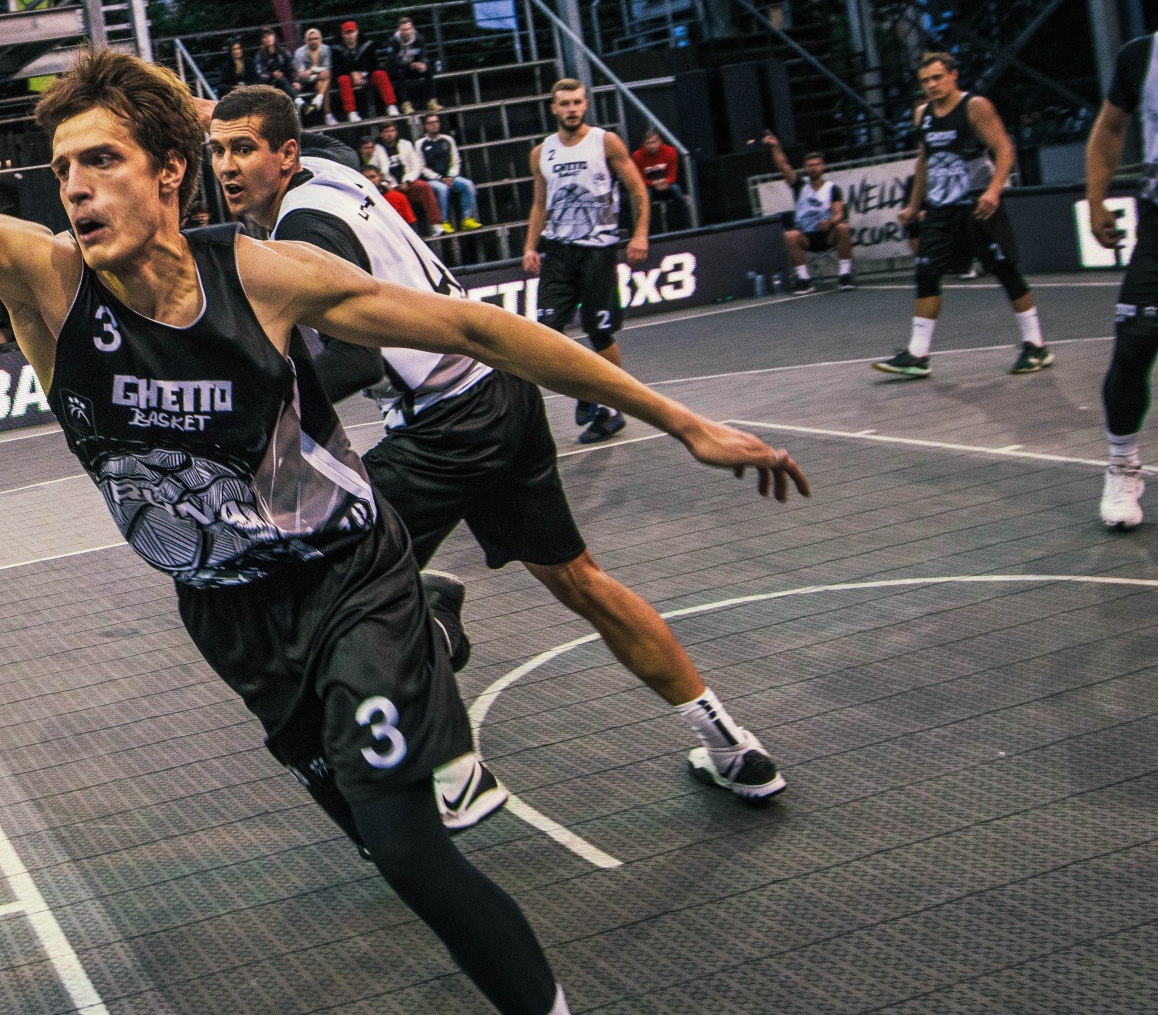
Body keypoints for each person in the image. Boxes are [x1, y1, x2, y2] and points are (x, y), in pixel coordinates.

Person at [0, 27, 806, 1015]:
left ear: (169, 172)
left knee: (405, 842)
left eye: (101, 161)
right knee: (379, 843)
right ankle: (434, 653)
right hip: (232, 619)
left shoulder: (261, 276)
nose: (76, 187)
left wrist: (678, 418)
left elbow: (477, 330)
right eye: (63, 169)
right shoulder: (46, 284)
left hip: (350, 578)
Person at [210, 83, 793, 806]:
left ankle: (447, 737)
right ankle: (730, 744)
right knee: (580, 580)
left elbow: (356, 361)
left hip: (444, 425)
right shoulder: (332, 169)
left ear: (285, 154)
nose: (225, 166)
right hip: (501, 398)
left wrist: (250, 412)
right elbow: (294, 135)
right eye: (216, 150)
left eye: (242, 149)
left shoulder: (304, 233)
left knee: (329, 593)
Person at [872, 53, 1050, 378]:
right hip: (940, 209)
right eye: (925, 81)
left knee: (1005, 272)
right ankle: (917, 354)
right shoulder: (922, 114)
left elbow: (1004, 149)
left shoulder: (975, 106)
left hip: (977, 204)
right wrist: (913, 205)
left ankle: (1036, 344)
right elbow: (924, 160)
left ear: (953, 75)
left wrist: (993, 191)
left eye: (937, 78)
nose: (931, 85)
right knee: (926, 273)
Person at [526, 79, 652, 444]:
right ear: (554, 108)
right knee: (547, 331)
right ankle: (587, 389)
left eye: (578, 102)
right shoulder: (541, 152)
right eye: (565, 103)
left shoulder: (605, 142)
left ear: (585, 105)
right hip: (558, 251)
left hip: (597, 251)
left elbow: (637, 189)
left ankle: (611, 410)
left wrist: (640, 234)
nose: (572, 109)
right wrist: (530, 246)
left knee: (599, 333)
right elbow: (540, 204)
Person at [1082, 32, 1158, 529]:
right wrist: (1096, 199)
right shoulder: (1142, 56)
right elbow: (1110, 128)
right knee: (1135, 342)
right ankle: (1123, 464)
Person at [763, 132, 855, 291]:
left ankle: (844, 276)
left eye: (817, 165)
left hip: (827, 235)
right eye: (810, 165)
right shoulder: (799, 185)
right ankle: (804, 280)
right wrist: (775, 146)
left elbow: (839, 214)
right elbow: (783, 165)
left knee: (843, 228)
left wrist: (830, 222)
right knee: (790, 235)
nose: (813, 168)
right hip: (807, 236)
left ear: (823, 167)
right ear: (805, 169)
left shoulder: (832, 189)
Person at [358, 135, 442, 235]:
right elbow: (380, 174)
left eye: (371, 147)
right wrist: (384, 184)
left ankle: (435, 224)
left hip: (405, 181)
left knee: (423, 187)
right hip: (381, 188)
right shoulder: (362, 159)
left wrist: (407, 181)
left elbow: (416, 166)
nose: (369, 150)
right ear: (360, 149)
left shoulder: (405, 145)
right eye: (366, 148)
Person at [415, 111, 480, 231]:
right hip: (431, 180)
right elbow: (421, 168)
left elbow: (455, 161)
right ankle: (443, 221)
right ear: (425, 126)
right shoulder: (420, 144)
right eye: (430, 123)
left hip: (450, 177)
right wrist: (440, 178)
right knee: (442, 189)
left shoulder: (448, 140)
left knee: (468, 184)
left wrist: (451, 176)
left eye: (436, 122)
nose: (434, 125)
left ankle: (467, 219)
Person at [335, 20, 398, 120]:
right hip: (349, 78)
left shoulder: (368, 44)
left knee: (381, 74)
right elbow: (338, 68)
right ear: (342, 34)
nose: (350, 35)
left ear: (357, 32)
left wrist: (364, 74)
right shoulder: (336, 48)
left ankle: (391, 105)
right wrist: (352, 73)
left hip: (366, 76)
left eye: (352, 32)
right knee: (343, 79)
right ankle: (351, 112)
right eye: (347, 33)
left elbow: (374, 63)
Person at [385, 15, 438, 111]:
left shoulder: (419, 38)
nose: (407, 32)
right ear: (399, 30)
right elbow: (394, 62)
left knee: (428, 69)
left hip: (412, 68)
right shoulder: (393, 41)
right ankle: (405, 104)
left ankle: (431, 101)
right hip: (397, 69)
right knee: (400, 73)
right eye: (404, 30)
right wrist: (409, 65)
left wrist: (422, 63)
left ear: (412, 28)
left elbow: (424, 54)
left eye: (409, 29)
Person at [292, 26, 334, 123]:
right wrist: (317, 74)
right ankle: (327, 113)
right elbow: (302, 75)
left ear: (320, 39)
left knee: (322, 81)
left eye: (316, 38)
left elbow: (328, 68)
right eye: (310, 39)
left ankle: (321, 103)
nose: (313, 41)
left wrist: (312, 70)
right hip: (305, 83)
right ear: (306, 41)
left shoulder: (326, 49)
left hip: (320, 81)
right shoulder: (300, 52)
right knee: (325, 78)